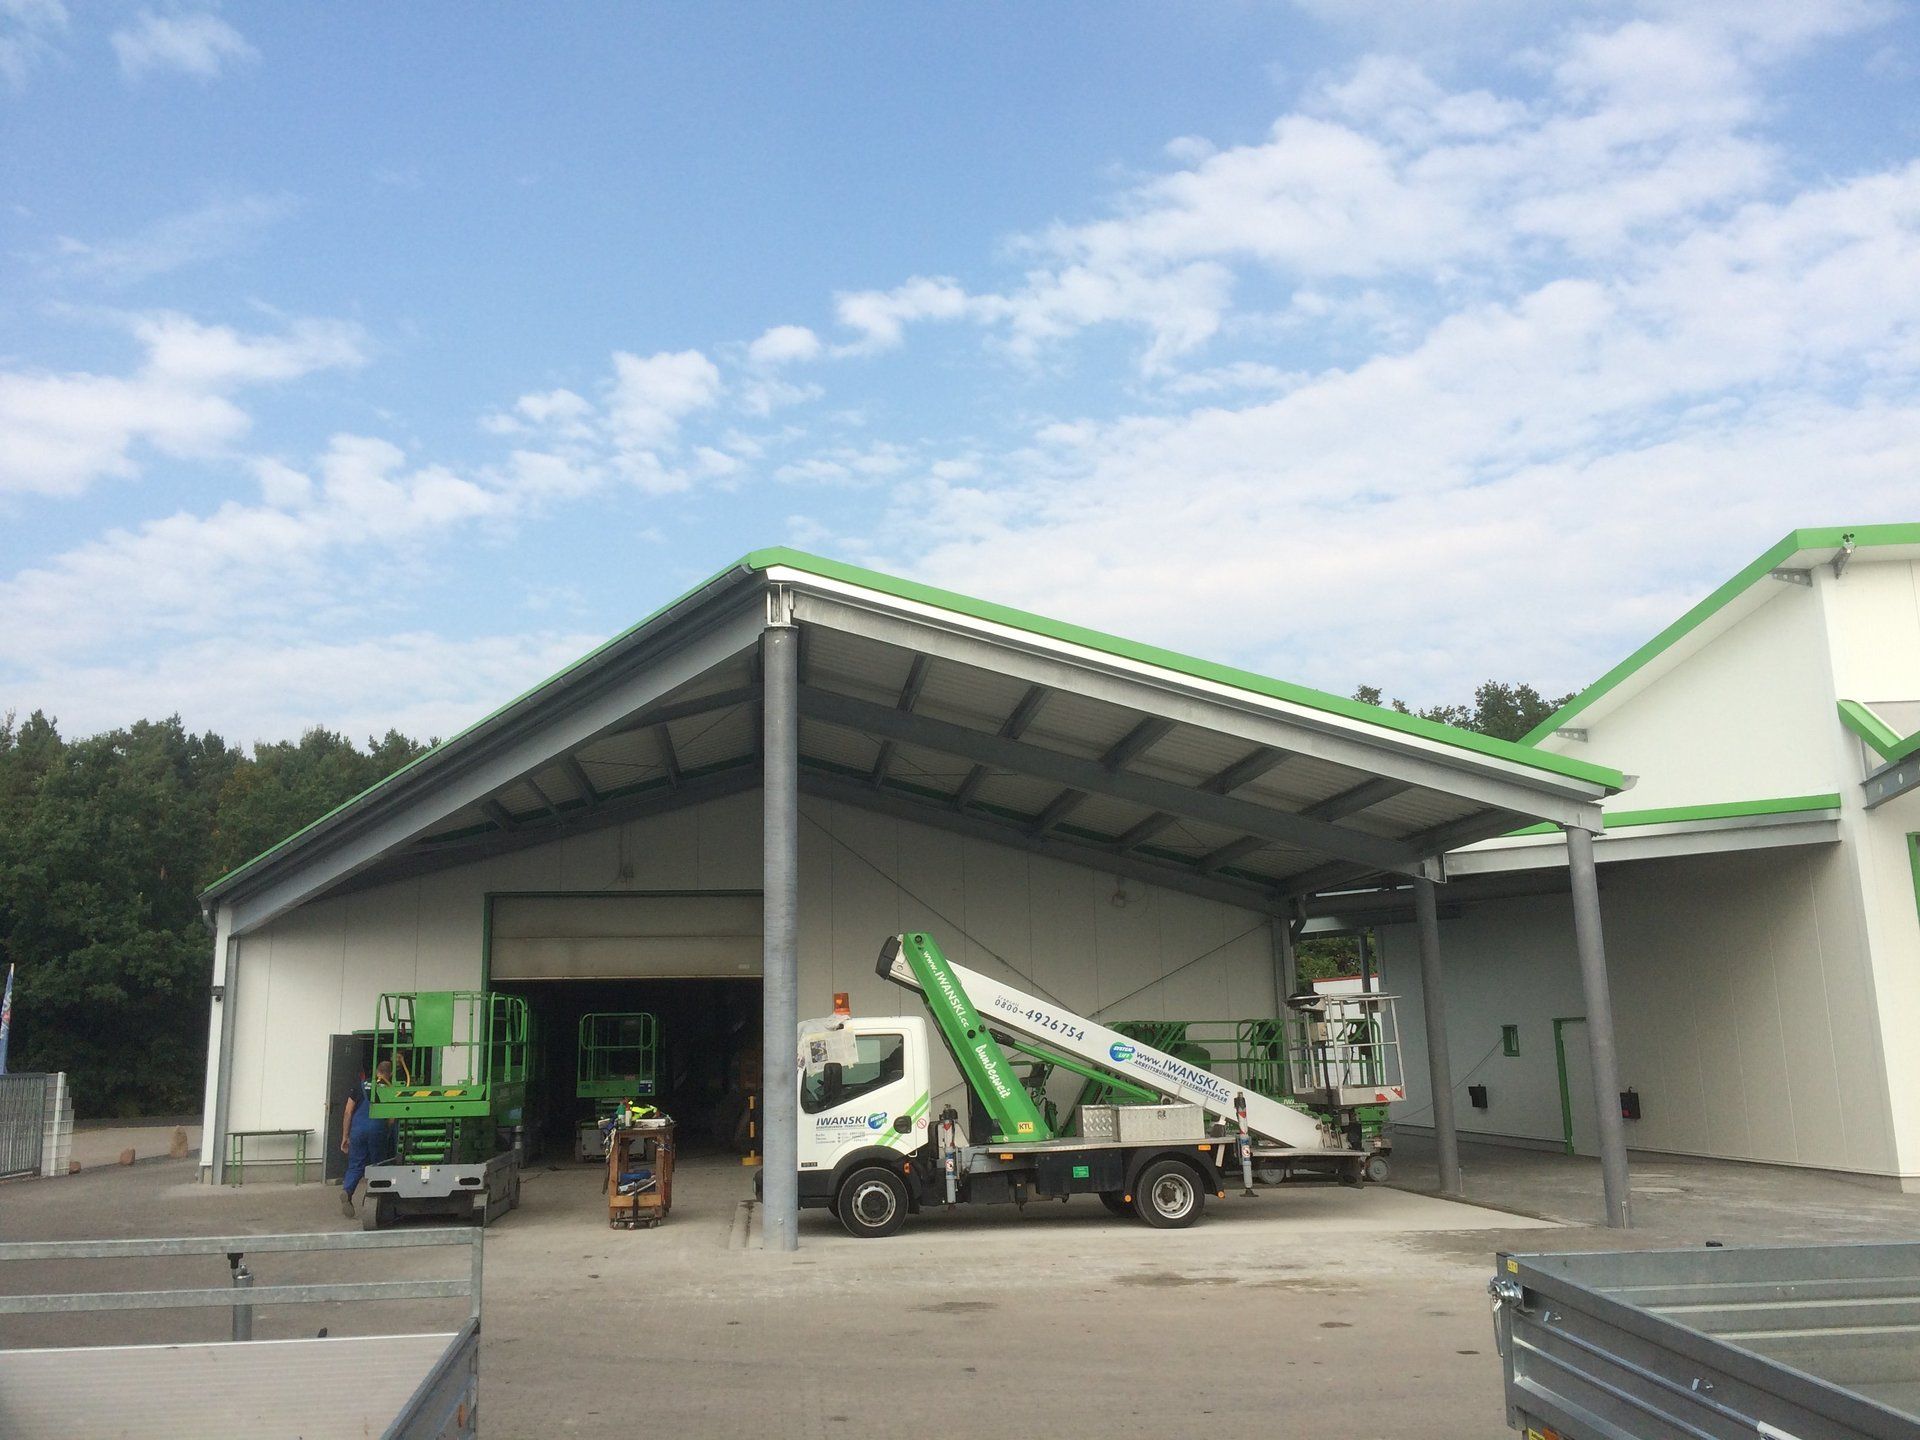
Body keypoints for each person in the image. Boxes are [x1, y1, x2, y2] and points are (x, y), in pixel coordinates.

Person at [340, 1059, 395, 1218]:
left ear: (376, 1070)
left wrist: (345, 1136)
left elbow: (348, 1112)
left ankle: (348, 1191)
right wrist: (388, 1132)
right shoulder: (388, 1088)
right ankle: (372, 1197)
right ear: (390, 1074)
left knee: (355, 1164)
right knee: (378, 1165)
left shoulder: (360, 1086)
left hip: (357, 1131)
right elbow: (391, 1119)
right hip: (377, 1130)